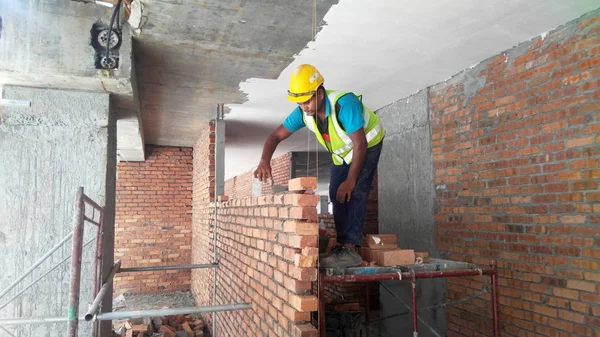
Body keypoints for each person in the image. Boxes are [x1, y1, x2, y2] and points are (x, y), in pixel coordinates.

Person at [253, 64, 385, 268]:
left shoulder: (344, 104)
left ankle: (351, 248)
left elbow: (360, 144)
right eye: (299, 103)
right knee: (335, 194)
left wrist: (350, 180)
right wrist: (264, 161)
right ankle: (343, 246)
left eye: (307, 100)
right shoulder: (303, 113)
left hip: (367, 144)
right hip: (342, 154)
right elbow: (275, 136)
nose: (303, 106)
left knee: (355, 190)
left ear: (320, 93)